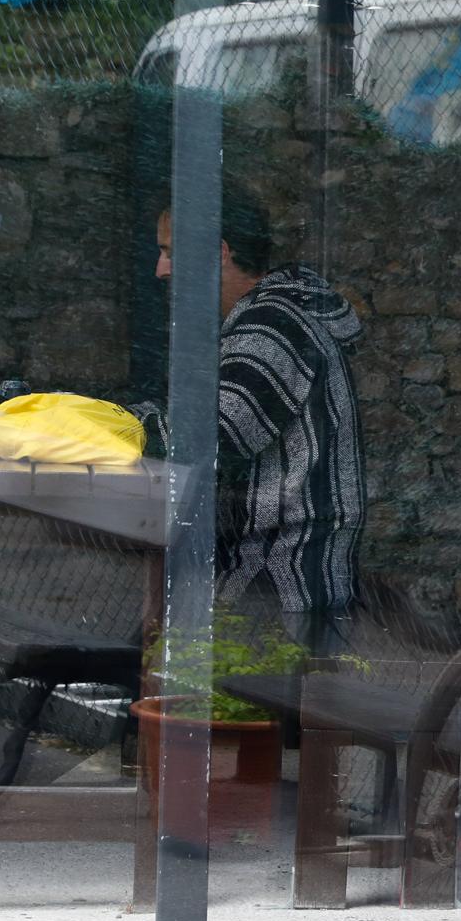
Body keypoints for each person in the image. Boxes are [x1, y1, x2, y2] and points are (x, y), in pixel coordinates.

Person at [131, 183, 365, 655]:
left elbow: (215, 435)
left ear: (218, 253)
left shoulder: (272, 326)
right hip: (275, 565)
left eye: (170, 253)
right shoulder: (264, 316)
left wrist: (100, 426)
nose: (160, 270)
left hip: (286, 573)